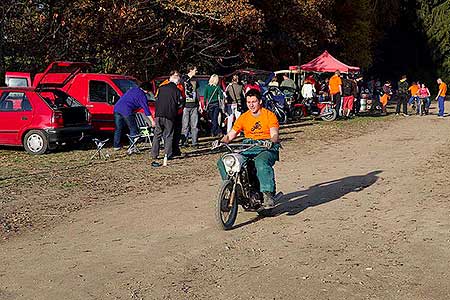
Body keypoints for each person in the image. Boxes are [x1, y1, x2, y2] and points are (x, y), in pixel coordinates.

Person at [216, 89, 280, 208]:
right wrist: (220, 141)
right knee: (224, 161)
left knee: (261, 163)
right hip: (248, 146)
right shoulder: (244, 117)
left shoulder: (269, 115)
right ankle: (231, 188)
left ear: (260, 101)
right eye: (248, 102)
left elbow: (274, 134)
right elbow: (231, 135)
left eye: (254, 101)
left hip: (266, 147)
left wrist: (271, 141)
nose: (251, 105)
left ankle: (267, 194)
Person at [151, 71, 183, 161]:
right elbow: (180, 103)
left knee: (157, 134)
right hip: (169, 115)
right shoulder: (177, 90)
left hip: (158, 114)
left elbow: (156, 99)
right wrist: (176, 111)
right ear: (177, 82)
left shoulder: (161, 88)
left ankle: (154, 154)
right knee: (169, 134)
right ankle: (167, 154)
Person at [113, 82, 154, 151]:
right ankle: (132, 147)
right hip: (127, 111)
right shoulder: (142, 96)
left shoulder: (133, 89)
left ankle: (116, 146)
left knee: (118, 128)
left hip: (117, 109)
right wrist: (152, 121)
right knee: (133, 129)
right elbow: (146, 110)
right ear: (147, 90)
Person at [180, 65, 199, 148]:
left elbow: (196, 92)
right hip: (186, 105)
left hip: (194, 105)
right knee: (185, 125)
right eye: (195, 70)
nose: (196, 71)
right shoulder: (183, 79)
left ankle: (195, 142)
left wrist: (199, 104)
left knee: (194, 125)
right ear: (190, 70)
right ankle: (184, 141)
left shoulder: (195, 80)